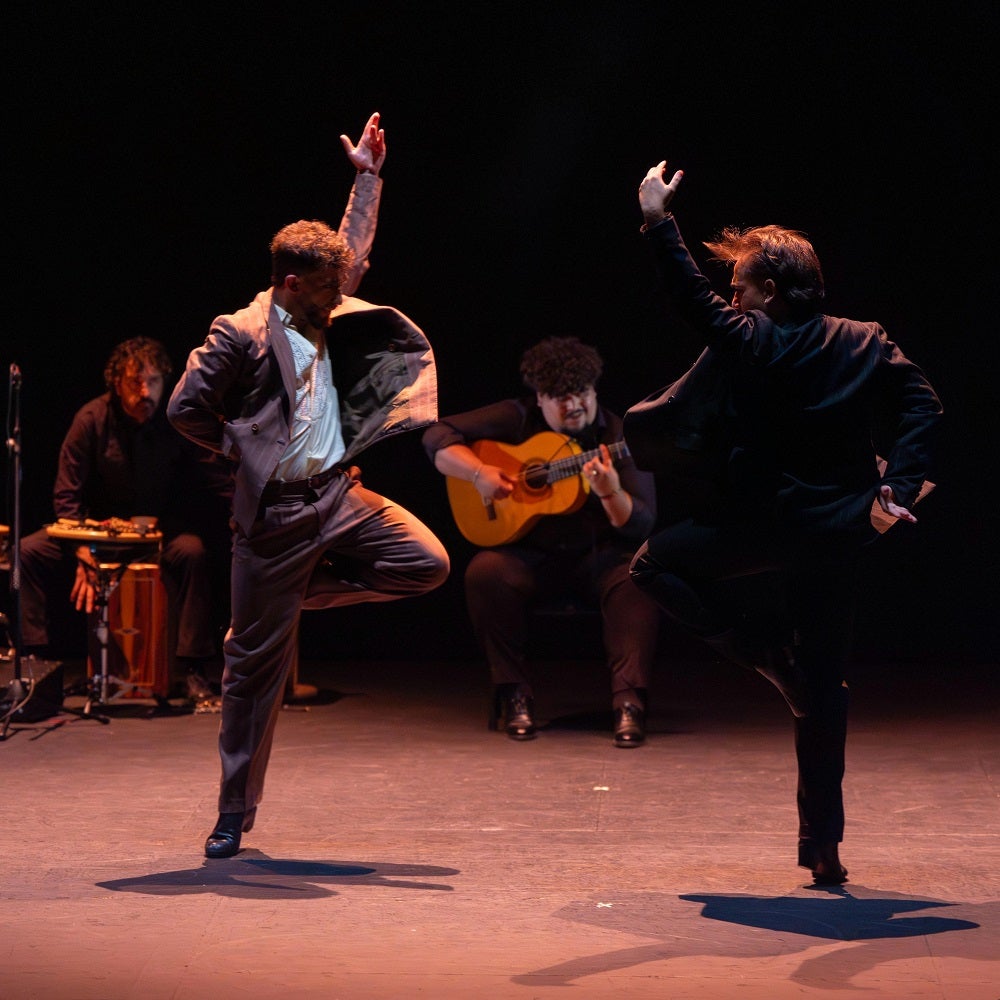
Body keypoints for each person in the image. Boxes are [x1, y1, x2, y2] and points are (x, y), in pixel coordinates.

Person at [629, 160, 942, 884]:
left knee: (652, 566)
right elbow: (925, 405)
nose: (731, 296)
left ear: (769, 291)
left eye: (740, 285)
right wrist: (894, 488)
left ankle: (769, 660)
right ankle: (823, 847)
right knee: (825, 687)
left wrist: (656, 221)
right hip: (839, 530)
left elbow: (691, 300)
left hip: (763, 524)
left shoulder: (754, 338)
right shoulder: (866, 339)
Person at [167, 113, 449, 860]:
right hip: (277, 520)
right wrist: (244, 455)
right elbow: (185, 410)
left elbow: (352, 251)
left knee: (425, 564)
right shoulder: (239, 330)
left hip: (337, 497)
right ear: (289, 283)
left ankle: (293, 603)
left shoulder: (318, 300)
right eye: (326, 288)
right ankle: (233, 813)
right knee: (251, 679)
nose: (340, 295)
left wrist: (367, 176)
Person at [422, 336, 661, 747]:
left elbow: (641, 523)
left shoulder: (621, 435)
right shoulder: (517, 418)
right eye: (559, 398)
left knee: (639, 578)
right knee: (485, 572)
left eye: (581, 394)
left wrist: (609, 492)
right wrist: (479, 473)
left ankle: (628, 702)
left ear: (594, 390)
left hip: (598, 559)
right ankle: (513, 693)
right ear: (539, 399)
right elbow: (437, 435)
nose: (574, 407)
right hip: (530, 558)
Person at [18, 336, 233, 698]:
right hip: (94, 534)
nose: (144, 391)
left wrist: (251, 507)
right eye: (135, 382)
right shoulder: (91, 420)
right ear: (116, 383)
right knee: (27, 552)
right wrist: (83, 550)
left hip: (153, 536)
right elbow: (66, 495)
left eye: (153, 382)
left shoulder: (176, 422)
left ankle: (193, 668)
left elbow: (215, 476)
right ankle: (35, 668)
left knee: (193, 552)